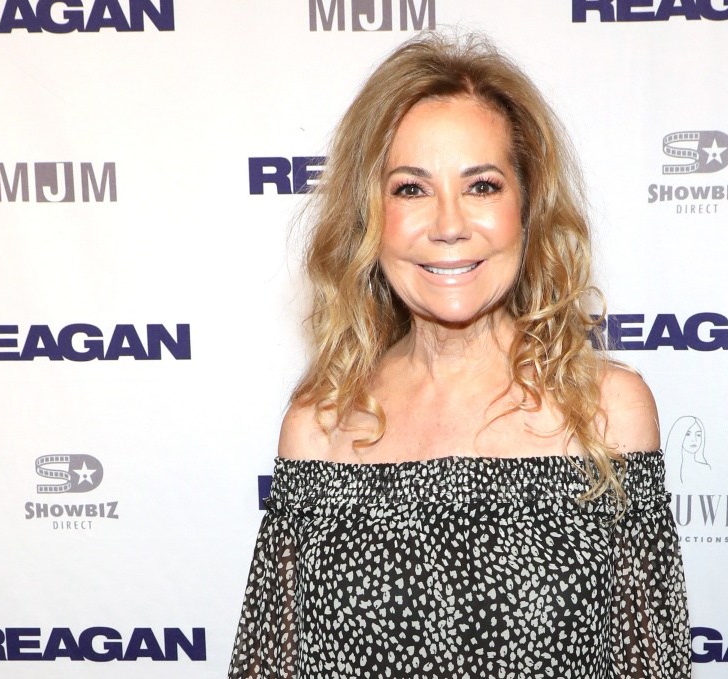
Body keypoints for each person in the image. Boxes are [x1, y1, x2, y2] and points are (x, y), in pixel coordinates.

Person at [229, 32, 691, 678]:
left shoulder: (606, 411)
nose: (449, 225)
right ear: (369, 216)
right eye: (411, 190)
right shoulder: (321, 426)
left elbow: (651, 664)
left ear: (527, 208)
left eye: (482, 186)